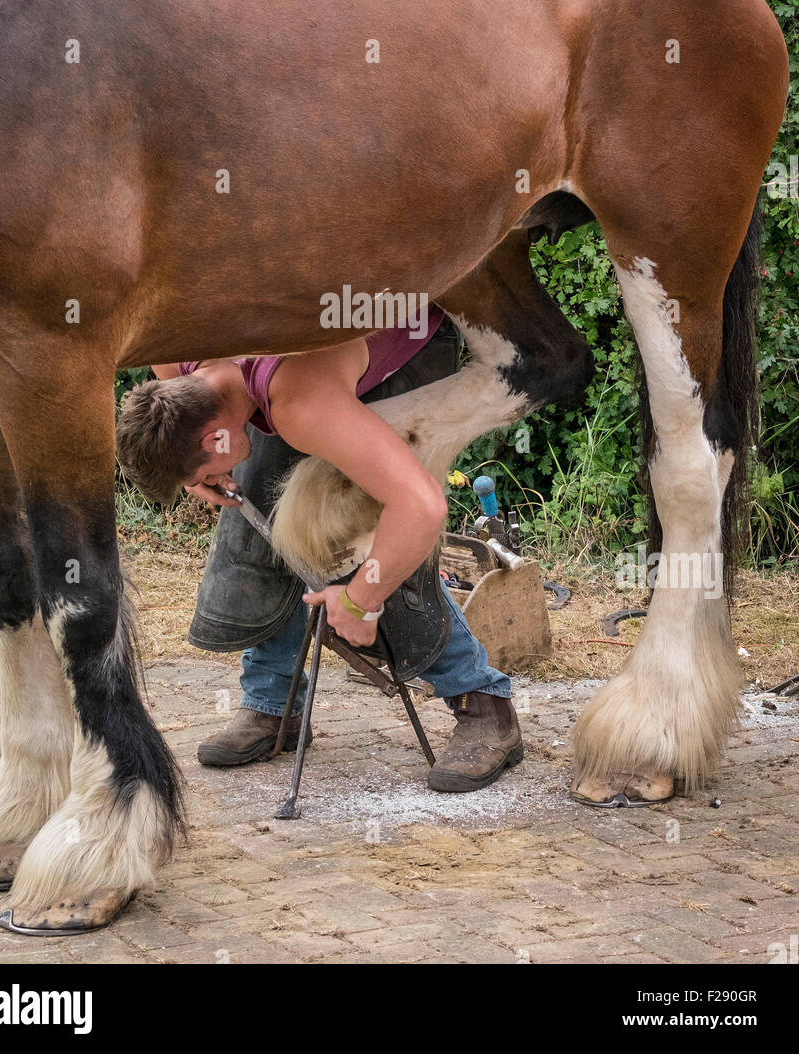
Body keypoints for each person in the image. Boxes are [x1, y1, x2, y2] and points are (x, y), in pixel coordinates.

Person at [116, 312, 523, 793]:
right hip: (310, 345)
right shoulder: (180, 347)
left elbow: (421, 507)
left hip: (408, 333)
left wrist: (360, 598)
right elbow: (175, 399)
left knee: (357, 535)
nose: (201, 485)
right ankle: (275, 702)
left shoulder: (301, 403)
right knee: (261, 502)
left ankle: (483, 703)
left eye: (197, 475)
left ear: (211, 437)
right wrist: (203, 476)